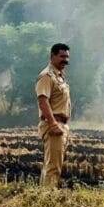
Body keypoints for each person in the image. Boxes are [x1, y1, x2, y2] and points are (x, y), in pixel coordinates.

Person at [35, 43, 72, 188]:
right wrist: (53, 124)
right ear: (52, 56)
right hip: (53, 125)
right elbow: (43, 101)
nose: (65, 60)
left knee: (53, 164)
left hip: (61, 124)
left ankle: (43, 197)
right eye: (62, 56)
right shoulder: (47, 76)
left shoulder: (60, 76)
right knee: (53, 167)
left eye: (67, 57)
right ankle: (47, 199)